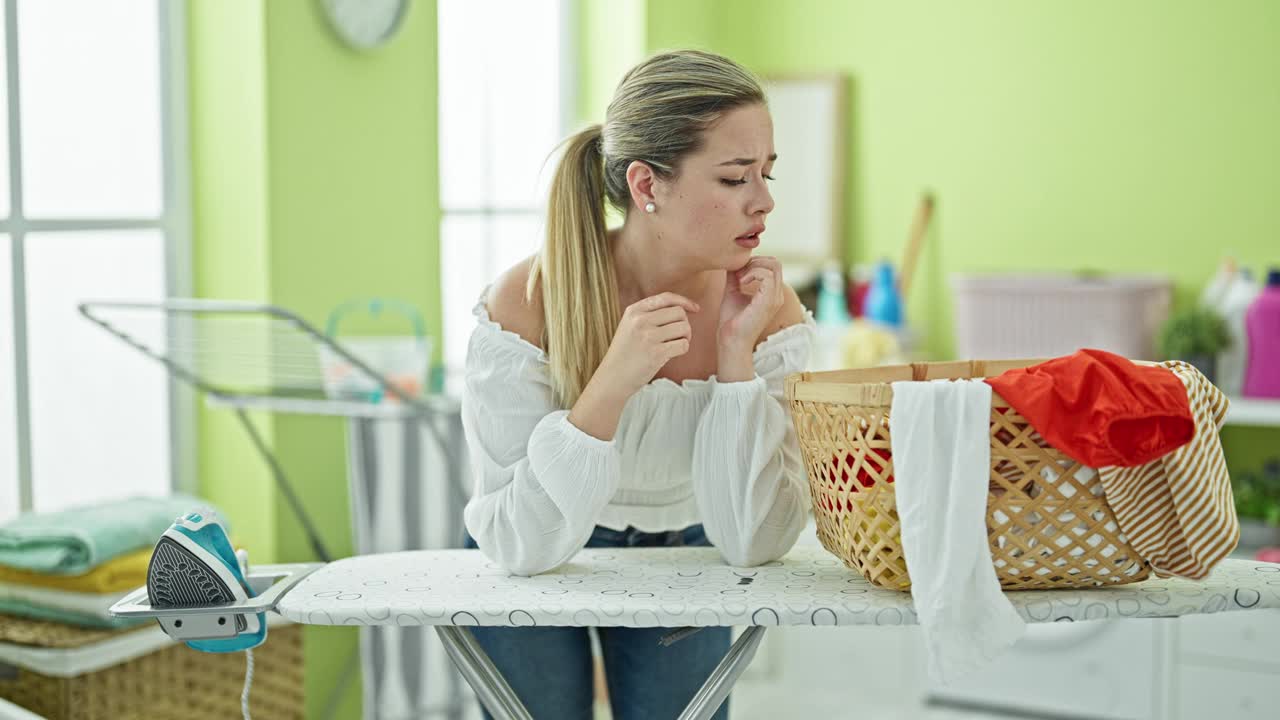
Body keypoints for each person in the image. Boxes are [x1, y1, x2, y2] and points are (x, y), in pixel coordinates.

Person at [460, 49, 815, 720]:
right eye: (736, 177)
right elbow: (518, 545)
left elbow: (753, 544)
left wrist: (736, 362)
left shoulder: (769, 312)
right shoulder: (527, 302)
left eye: (766, 173)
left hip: (690, 551)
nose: (764, 201)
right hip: (536, 561)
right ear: (648, 184)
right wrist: (612, 384)